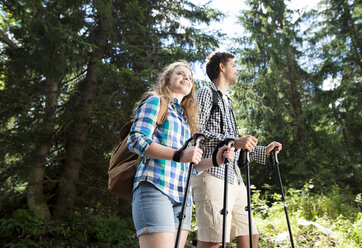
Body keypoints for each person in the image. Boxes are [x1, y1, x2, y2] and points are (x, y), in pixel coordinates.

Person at [127, 60, 235, 248]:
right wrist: (179, 155)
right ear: (167, 79)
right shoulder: (156, 101)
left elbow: (191, 166)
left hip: (182, 198)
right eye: (180, 73)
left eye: (190, 77)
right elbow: (136, 140)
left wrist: (215, 160)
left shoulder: (187, 121)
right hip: (155, 187)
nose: (186, 77)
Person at [191, 51, 282, 248]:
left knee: (250, 235)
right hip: (211, 173)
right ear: (222, 67)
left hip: (234, 177)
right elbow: (195, 131)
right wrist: (233, 141)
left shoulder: (228, 102)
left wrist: (262, 150)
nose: (237, 70)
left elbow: (235, 146)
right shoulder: (205, 93)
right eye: (233, 65)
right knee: (213, 240)